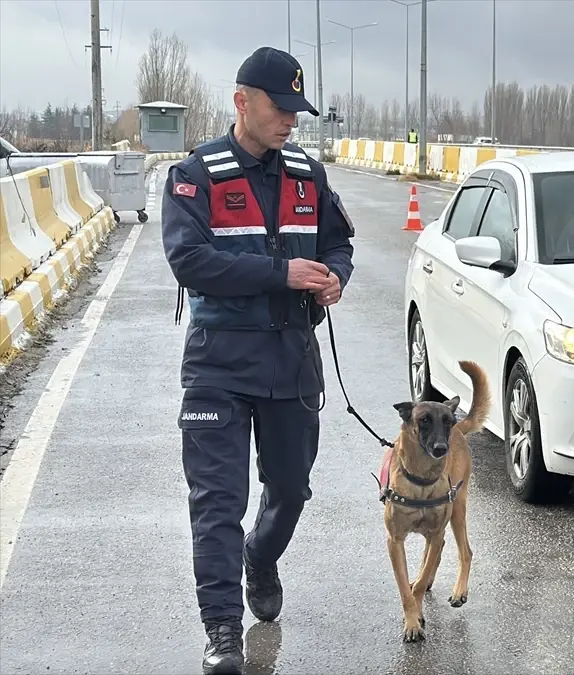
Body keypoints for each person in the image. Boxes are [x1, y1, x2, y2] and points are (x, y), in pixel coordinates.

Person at [160, 46, 355, 675]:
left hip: (292, 359)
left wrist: (334, 277)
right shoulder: (196, 175)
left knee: (292, 489)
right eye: (281, 107)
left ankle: (261, 556)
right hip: (218, 363)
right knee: (217, 502)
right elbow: (190, 261)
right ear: (242, 101)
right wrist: (280, 273)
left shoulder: (308, 174)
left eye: (298, 109)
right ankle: (222, 632)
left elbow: (337, 242)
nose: (291, 120)